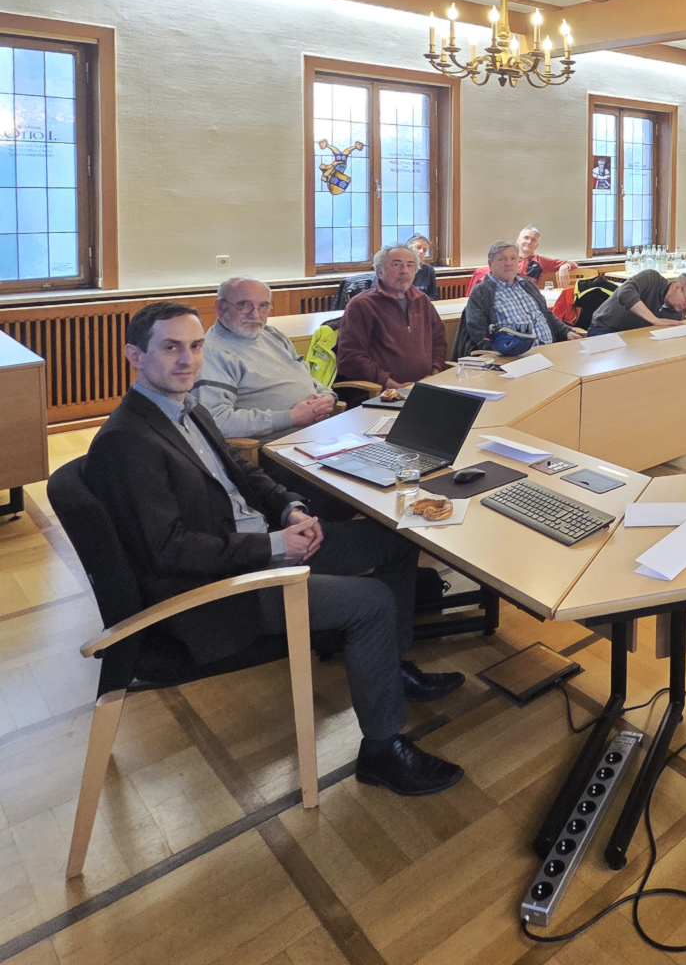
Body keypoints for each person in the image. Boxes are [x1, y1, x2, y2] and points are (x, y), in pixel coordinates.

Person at [84, 302, 466, 795]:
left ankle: (388, 669)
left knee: (391, 540)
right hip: (221, 590)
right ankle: (381, 750)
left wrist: (290, 509)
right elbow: (168, 551)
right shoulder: (127, 441)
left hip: (256, 550)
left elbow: (242, 473)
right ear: (135, 355)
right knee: (372, 603)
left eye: (196, 346)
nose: (188, 361)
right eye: (171, 348)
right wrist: (271, 546)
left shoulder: (184, 407)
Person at [197, 277, 336, 440]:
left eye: (263, 306)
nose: (255, 314)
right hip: (276, 445)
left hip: (320, 431)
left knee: (368, 453)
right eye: (244, 305)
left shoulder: (272, 335)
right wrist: (290, 417)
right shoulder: (212, 353)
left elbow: (305, 377)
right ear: (220, 308)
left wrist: (327, 396)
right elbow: (216, 421)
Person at [336, 244, 447, 388]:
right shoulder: (362, 305)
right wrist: (389, 383)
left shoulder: (422, 300)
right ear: (380, 272)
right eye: (396, 265)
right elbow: (350, 358)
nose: (404, 271)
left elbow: (439, 341)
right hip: (381, 394)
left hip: (424, 388)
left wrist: (435, 373)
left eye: (410, 265)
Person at [462, 240, 583, 352]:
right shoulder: (481, 292)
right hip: (513, 357)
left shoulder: (528, 285)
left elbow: (546, 315)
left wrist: (566, 332)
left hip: (548, 350)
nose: (509, 263)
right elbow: (480, 334)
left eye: (513, 258)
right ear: (490, 264)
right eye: (502, 259)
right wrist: (501, 354)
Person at [590, 268, 686, 333]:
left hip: (635, 337)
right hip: (605, 328)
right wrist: (655, 319)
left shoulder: (676, 313)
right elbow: (625, 292)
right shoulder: (651, 278)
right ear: (677, 287)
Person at [467, 225, 576, 291]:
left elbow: (573, 264)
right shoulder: (506, 260)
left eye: (533, 240)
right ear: (518, 241)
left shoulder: (540, 261)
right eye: (526, 238)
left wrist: (564, 267)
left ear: (537, 245)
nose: (529, 242)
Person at [406, 234, 439, 300]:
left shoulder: (429, 270)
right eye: (418, 248)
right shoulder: (401, 269)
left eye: (425, 250)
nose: (421, 252)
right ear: (408, 249)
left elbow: (434, 296)